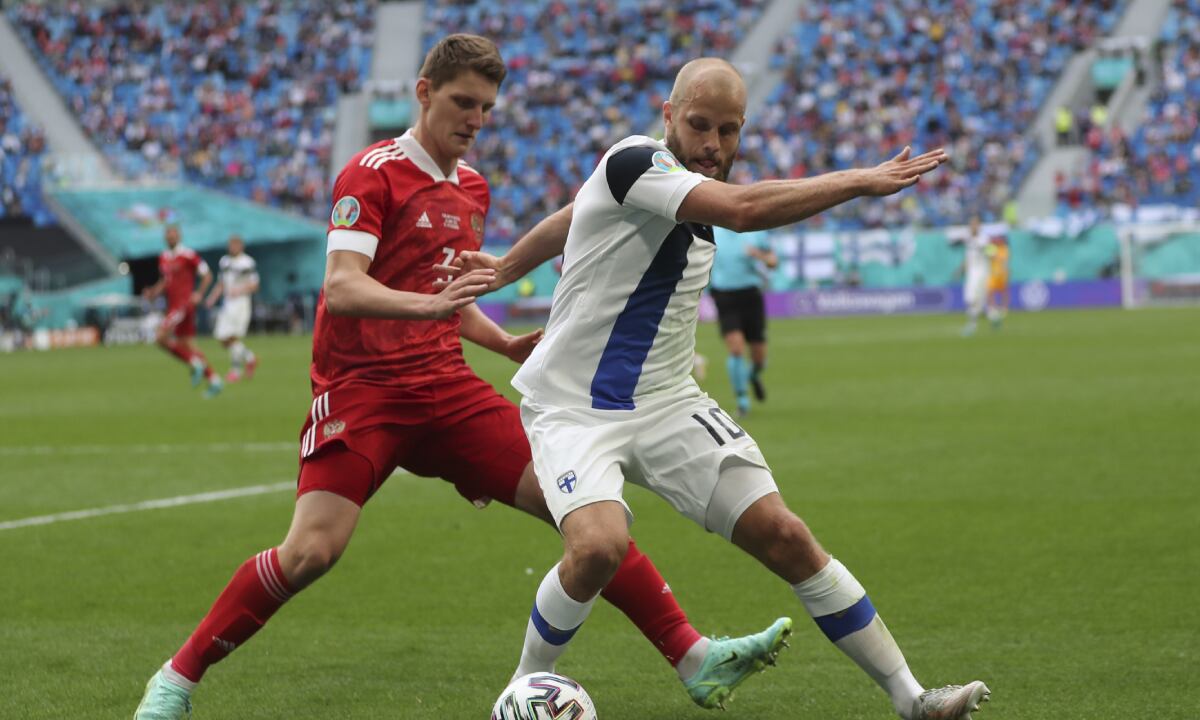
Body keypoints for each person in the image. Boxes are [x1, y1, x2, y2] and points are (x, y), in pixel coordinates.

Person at [133, 36, 786, 720]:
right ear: (424, 92)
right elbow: (344, 287)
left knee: (590, 520)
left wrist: (500, 342)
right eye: (462, 102)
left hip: (446, 390)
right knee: (310, 553)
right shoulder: (371, 173)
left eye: (487, 108)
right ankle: (176, 679)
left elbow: (450, 292)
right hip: (364, 391)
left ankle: (693, 657)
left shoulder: (471, 187)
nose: (475, 119)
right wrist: (430, 308)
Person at [449, 57, 989, 720]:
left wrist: (507, 264)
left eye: (728, 131)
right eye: (699, 125)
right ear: (669, 115)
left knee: (786, 536)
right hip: (574, 408)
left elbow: (570, 214)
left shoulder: (672, 187)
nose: (713, 144)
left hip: (670, 405)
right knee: (597, 546)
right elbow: (744, 209)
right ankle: (524, 690)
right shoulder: (634, 162)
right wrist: (859, 180)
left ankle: (915, 701)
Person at [142, 224, 222, 398]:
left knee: (160, 337)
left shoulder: (188, 255)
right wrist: (153, 292)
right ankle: (214, 379)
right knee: (188, 344)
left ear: (179, 236)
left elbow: (207, 275)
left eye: (173, 235)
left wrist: (199, 293)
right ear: (165, 238)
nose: (171, 237)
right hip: (173, 305)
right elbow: (165, 281)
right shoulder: (164, 257)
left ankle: (194, 363)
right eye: (168, 235)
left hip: (183, 304)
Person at [709, 226, 777, 416]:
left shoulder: (755, 231)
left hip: (751, 295)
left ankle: (753, 375)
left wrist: (758, 255)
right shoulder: (712, 230)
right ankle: (742, 400)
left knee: (759, 357)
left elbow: (773, 262)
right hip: (724, 296)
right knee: (736, 348)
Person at [204, 235, 260, 382]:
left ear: (241, 246)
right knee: (224, 337)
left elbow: (254, 285)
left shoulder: (247, 262)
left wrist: (239, 290)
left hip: (241, 303)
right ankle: (249, 358)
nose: (233, 248)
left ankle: (235, 370)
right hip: (227, 303)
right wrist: (212, 297)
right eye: (231, 245)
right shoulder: (225, 262)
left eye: (235, 245)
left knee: (230, 336)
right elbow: (221, 283)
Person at [960, 215, 991, 337]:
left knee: (974, 298)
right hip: (971, 272)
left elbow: (988, 251)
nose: (972, 226)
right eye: (971, 224)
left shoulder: (983, 239)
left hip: (981, 271)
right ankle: (991, 317)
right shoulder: (969, 239)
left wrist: (984, 249)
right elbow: (968, 257)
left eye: (975, 224)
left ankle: (973, 325)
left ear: (979, 226)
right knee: (970, 298)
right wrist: (961, 269)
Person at [986, 236, 1010, 329]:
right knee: (990, 290)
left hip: (1002, 273)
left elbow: (1003, 259)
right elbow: (988, 255)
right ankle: (992, 308)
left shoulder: (1005, 249)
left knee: (1004, 291)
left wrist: (994, 255)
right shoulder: (993, 248)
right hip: (993, 273)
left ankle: (1004, 308)